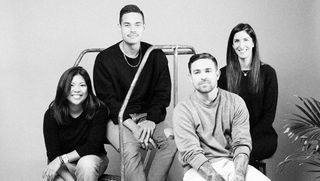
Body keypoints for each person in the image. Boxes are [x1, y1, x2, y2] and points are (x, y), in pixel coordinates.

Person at [93, 4, 177, 181]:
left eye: (137, 24)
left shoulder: (155, 55)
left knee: (171, 142)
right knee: (130, 148)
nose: (133, 30)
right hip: (117, 120)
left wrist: (150, 121)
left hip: (149, 117)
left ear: (144, 27)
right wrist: (134, 127)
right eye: (127, 25)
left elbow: (162, 94)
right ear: (119, 27)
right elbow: (107, 101)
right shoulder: (104, 59)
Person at [173, 53, 270, 181]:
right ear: (190, 78)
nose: (203, 77)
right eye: (197, 72)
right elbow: (192, 154)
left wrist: (239, 175)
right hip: (198, 170)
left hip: (232, 164)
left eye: (208, 71)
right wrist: (215, 178)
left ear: (217, 74)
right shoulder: (183, 109)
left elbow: (241, 143)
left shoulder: (236, 102)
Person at [218, 23, 278, 169]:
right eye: (236, 41)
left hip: (261, 136)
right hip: (231, 136)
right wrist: (231, 138)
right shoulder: (224, 74)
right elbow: (220, 113)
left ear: (253, 43)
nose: (241, 45)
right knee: (218, 153)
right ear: (232, 46)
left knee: (242, 153)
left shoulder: (267, 73)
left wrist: (245, 138)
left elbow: (268, 116)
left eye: (245, 40)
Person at [42, 66, 109, 181]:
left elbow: (92, 146)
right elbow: (53, 154)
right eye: (71, 85)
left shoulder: (98, 109)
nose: (77, 90)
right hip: (64, 166)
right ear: (63, 88)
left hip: (93, 160)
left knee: (85, 164)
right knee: (53, 177)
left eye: (82, 85)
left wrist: (61, 159)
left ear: (88, 88)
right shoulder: (51, 115)